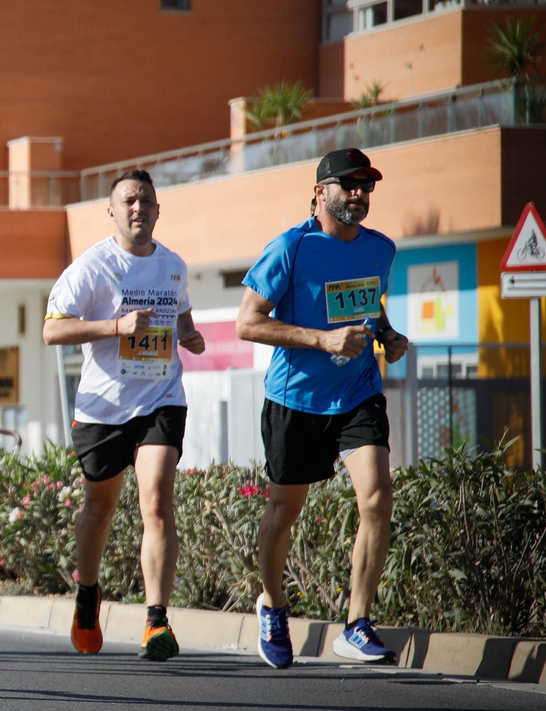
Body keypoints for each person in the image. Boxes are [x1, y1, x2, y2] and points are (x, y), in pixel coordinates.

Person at [236, 148, 407, 669]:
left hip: (357, 392)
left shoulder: (381, 249)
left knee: (377, 499)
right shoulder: (290, 247)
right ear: (319, 191)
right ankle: (272, 605)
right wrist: (321, 339)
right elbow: (247, 322)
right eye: (348, 184)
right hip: (296, 399)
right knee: (284, 511)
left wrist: (387, 334)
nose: (359, 193)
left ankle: (357, 624)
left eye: (366, 185)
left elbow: (369, 304)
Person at [44, 169, 204, 663]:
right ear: (111, 210)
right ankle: (87, 594)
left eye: (146, 201)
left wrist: (189, 335)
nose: (138, 208)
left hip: (160, 398)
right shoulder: (92, 267)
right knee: (99, 508)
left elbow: (180, 313)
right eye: (129, 201)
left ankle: (156, 620)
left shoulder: (173, 265)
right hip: (103, 407)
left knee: (156, 501)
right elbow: (52, 331)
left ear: (158, 210)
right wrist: (116, 327)